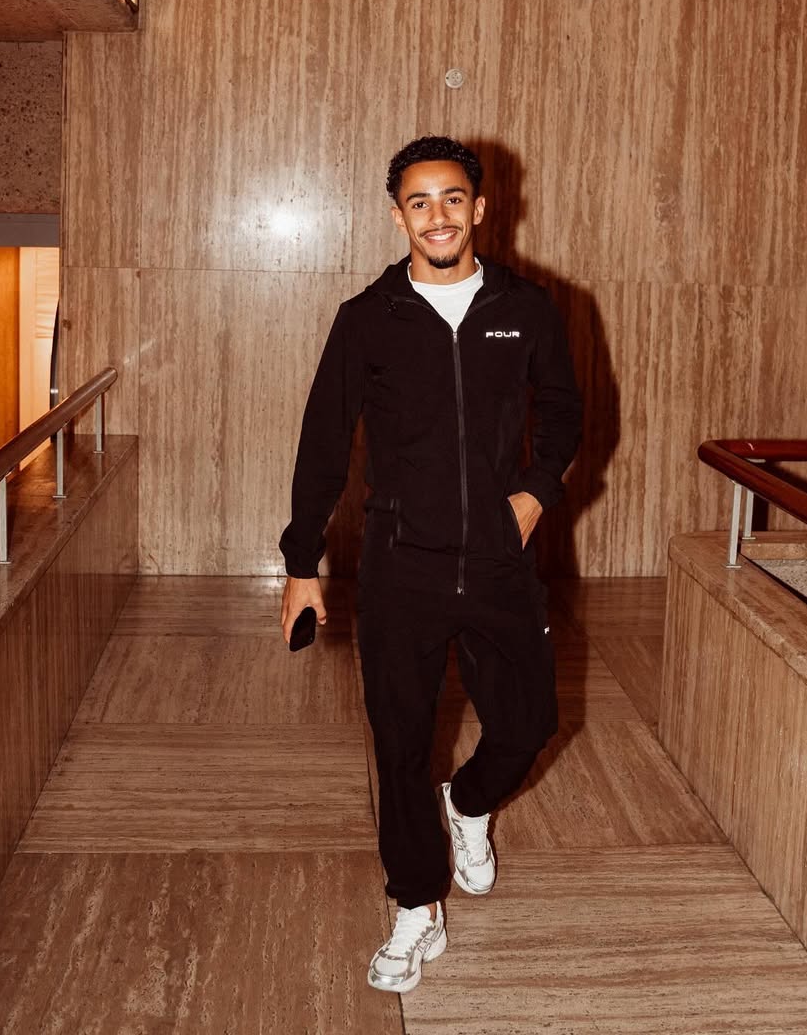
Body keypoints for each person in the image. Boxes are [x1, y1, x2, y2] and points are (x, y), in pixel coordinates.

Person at [279, 135, 582, 994]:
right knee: (401, 743)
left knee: (529, 723)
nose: (437, 216)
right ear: (397, 216)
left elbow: (564, 412)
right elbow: (323, 442)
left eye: (452, 198)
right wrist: (302, 561)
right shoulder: (366, 318)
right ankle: (417, 904)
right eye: (419, 202)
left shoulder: (528, 307)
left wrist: (533, 495)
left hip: (500, 562)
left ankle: (470, 803)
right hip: (400, 564)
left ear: (479, 208)